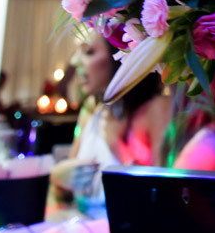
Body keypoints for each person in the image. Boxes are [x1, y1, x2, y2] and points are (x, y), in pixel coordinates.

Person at [50, 34, 170, 210]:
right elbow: (66, 188)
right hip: (79, 222)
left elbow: (162, 195)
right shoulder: (91, 110)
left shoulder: (155, 109)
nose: (75, 61)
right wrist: (57, 177)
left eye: (88, 52)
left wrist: (117, 145)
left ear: (119, 56)